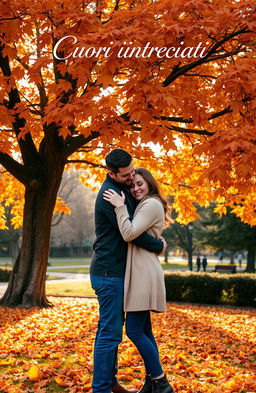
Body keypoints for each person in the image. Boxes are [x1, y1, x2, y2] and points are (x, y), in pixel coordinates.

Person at [90, 150, 166, 393]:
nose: (131, 178)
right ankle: (102, 388)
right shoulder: (110, 195)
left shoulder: (127, 188)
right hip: (109, 272)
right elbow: (132, 234)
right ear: (112, 173)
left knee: (122, 330)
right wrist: (160, 245)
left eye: (133, 171)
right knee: (110, 333)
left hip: (123, 273)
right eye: (126, 175)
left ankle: (115, 382)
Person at [103, 168, 175, 393]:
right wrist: (159, 245)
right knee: (145, 331)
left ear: (150, 184)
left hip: (144, 274)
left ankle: (161, 383)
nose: (135, 188)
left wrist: (119, 206)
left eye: (140, 184)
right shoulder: (147, 204)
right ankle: (152, 383)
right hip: (142, 270)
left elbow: (128, 232)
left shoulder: (151, 204)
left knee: (134, 331)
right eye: (132, 185)